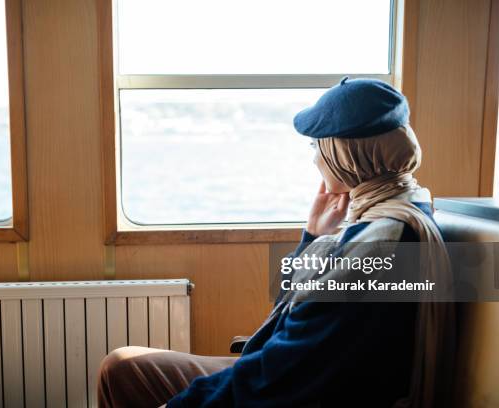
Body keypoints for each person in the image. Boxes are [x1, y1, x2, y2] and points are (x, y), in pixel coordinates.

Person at [97, 78, 455, 408]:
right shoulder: (403, 207)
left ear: (346, 155)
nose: (315, 158)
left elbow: (283, 372)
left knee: (123, 372)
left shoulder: (377, 244)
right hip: (286, 369)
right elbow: (295, 321)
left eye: (318, 145)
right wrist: (312, 236)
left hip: (295, 387)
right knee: (122, 366)